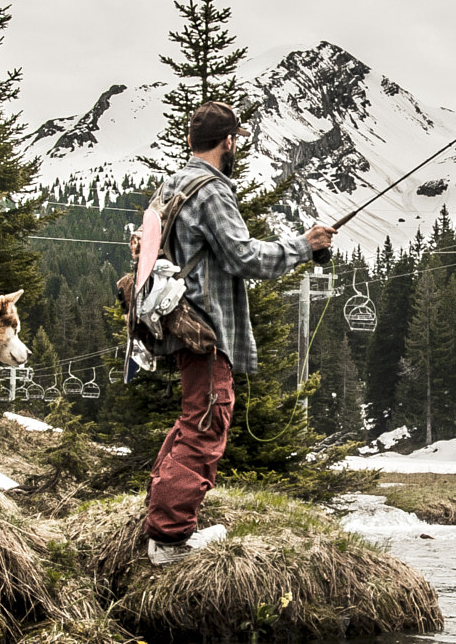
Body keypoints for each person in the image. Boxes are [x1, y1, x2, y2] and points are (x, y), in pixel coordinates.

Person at [143, 101, 336, 567]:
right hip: (208, 328)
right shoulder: (211, 191)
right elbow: (244, 258)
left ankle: (163, 524)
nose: (237, 147)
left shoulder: (171, 186)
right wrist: (304, 247)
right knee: (206, 425)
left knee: (194, 420)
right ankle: (169, 539)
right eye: (237, 140)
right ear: (228, 141)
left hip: (181, 324)